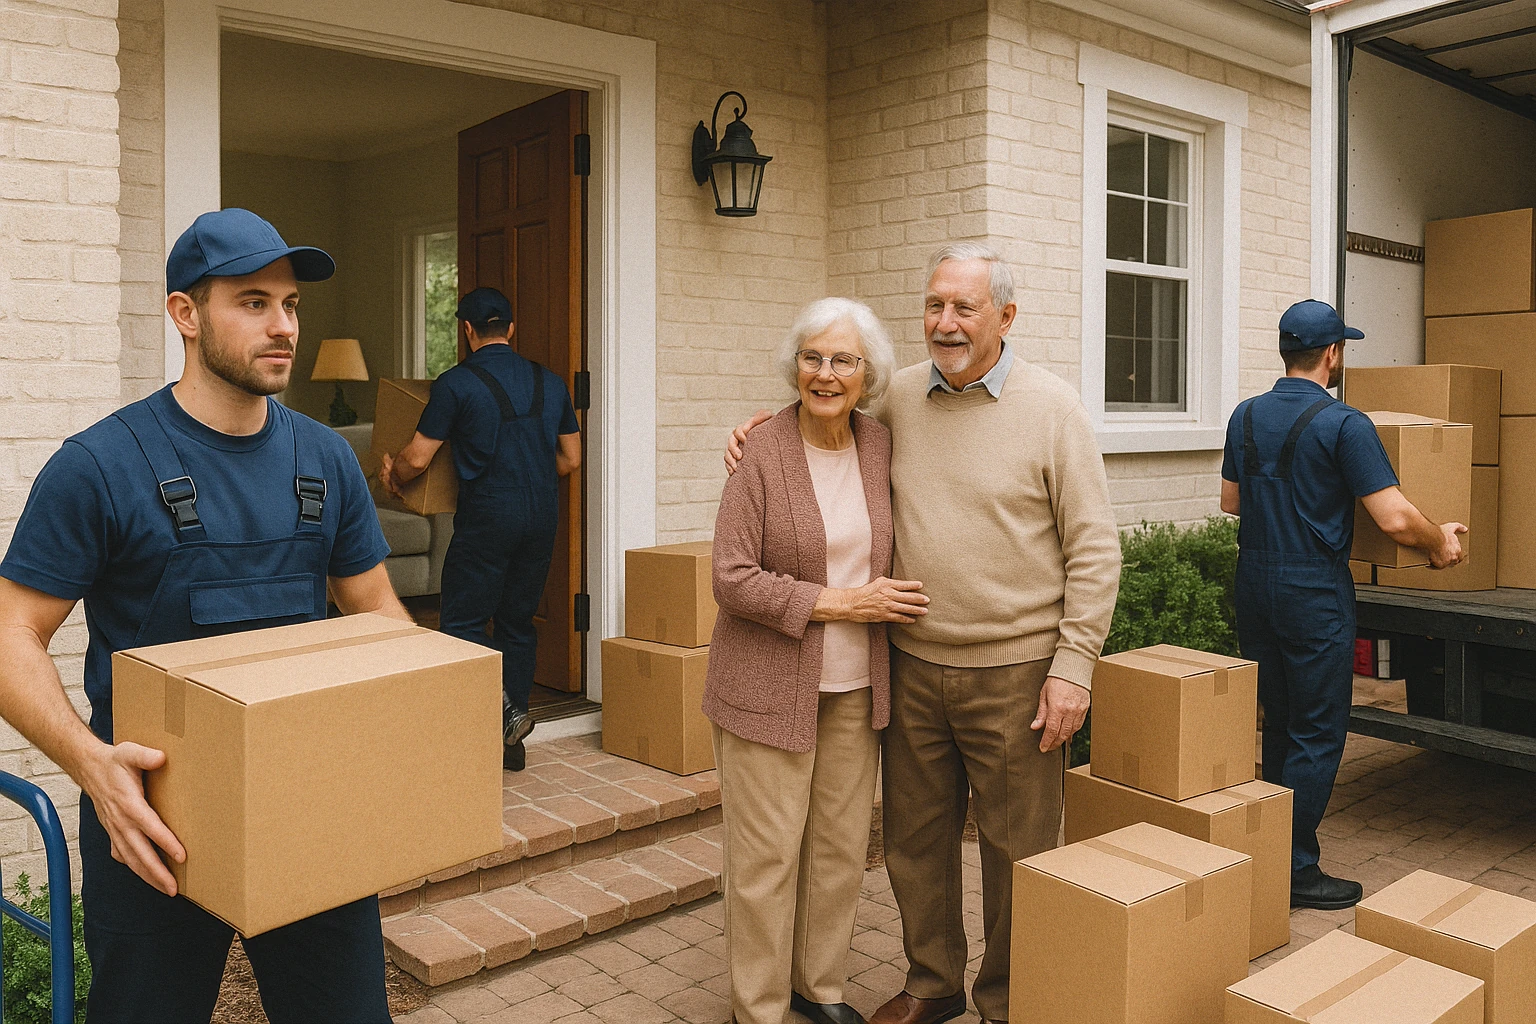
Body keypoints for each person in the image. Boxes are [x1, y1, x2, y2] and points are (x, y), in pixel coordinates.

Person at [0, 208, 409, 1023]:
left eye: (290, 304)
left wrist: (398, 746)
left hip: (307, 810)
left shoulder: (326, 459)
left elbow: (380, 620)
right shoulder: (100, 466)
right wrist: (91, 767)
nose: (283, 325)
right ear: (185, 315)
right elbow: (11, 632)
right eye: (253, 302)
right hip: (153, 829)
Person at [727, 244, 1122, 1024]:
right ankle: (932, 982)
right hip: (906, 664)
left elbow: (1095, 548)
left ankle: (1007, 1000)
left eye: (963, 308)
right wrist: (755, 433)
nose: (944, 323)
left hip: (1016, 670)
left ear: (1005, 317)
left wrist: (1074, 666)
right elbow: (819, 428)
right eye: (935, 305)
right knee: (915, 840)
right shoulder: (899, 400)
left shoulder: (1054, 409)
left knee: (1018, 849)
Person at [708, 298, 918, 1024]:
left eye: (843, 360)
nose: (825, 374)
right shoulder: (761, 450)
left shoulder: (880, 445)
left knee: (836, 850)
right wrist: (838, 603)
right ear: (795, 364)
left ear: (868, 374)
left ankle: (818, 987)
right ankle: (759, 1008)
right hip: (766, 689)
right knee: (766, 860)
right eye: (813, 357)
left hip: (859, 689)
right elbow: (730, 578)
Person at [1221, 299, 1465, 911]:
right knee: (1318, 731)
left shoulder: (1244, 416)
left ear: (1285, 352)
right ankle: (1295, 870)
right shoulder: (1345, 424)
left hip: (1254, 579)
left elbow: (1232, 504)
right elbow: (1396, 517)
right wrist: (1442, 544)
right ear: (1333, 354)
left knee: (1278, 722)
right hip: (1312, 591)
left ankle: (1267, 852)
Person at [380, 286, 581, 772]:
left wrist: (392, 475)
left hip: (489, 513)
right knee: (516, 622)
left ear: (466, 331)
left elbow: (418, 457)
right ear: (511, 329)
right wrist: (528, 474)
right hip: (541, 515)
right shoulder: (550, 382)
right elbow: (571, 458)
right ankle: (513, 743)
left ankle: (489, 719)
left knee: (463, 623)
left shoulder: (455, 384)